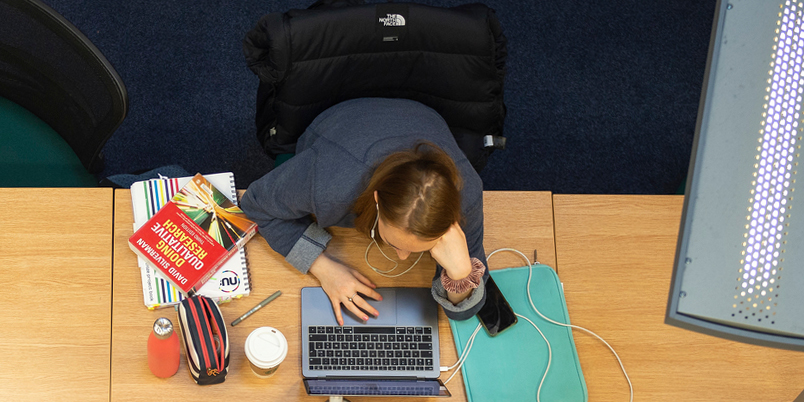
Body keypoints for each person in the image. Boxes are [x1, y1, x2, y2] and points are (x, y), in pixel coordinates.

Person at [240, 98, 488, 325]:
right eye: (396, 243)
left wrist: (461, 273)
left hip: (423, 116)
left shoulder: (467, 197)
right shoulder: (328, 183)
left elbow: (463, 312)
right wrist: (322, 266)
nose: (403, 257)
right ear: (377, 200)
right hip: (339, 124)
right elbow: (254, 204)